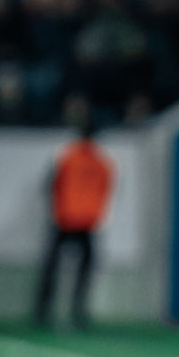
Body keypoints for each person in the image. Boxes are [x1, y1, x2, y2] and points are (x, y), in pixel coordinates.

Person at [34, 103, 116, 329]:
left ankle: (43, 311)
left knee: (52, 266)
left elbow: (51, 184)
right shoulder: (103, 162)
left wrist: (58, 208)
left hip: (66, 218)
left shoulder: (67, 156)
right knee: (85, 270)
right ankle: (78, 312)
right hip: (88, 220)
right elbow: (107, 191)